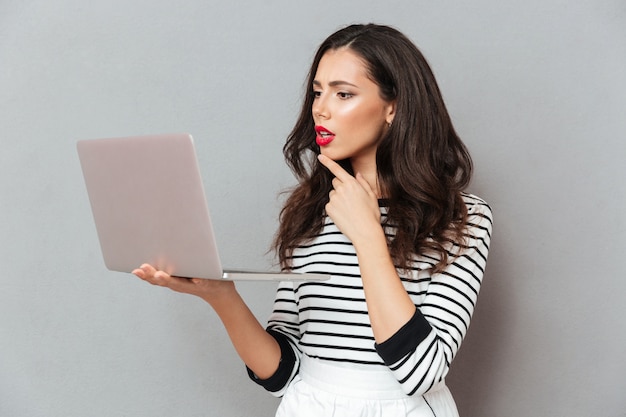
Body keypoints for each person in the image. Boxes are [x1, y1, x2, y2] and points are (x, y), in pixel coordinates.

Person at [133, 23, 493, 417]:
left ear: (394, 106)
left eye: (343, 94)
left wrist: (368, 235)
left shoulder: (463, 219)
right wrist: (220, 295)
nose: (321, 108)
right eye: (317, 92)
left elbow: (421, 372)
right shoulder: (308, 211)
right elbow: (283, 375)